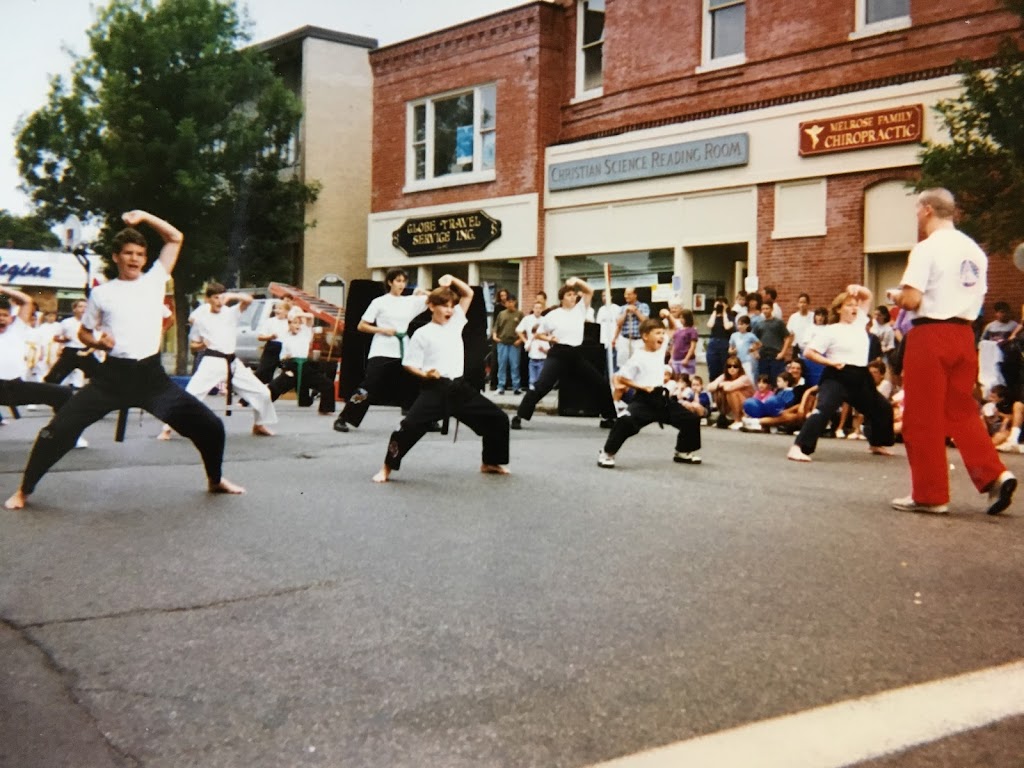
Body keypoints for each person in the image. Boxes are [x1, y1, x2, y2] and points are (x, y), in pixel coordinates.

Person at [5, 210, 244, 510]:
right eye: (128, 253)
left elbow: (175, 237)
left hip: (152, 380)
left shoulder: (156, 279)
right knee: (57, 431)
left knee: (210, 426)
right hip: (112, 380)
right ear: (116, 256)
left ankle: (215, 480)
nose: (134, 259)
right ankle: (24, 490)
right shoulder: (102, 294)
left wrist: (144, 216)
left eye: (140, 254)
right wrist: (97, 341)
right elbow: (86, 333)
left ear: (146, 259)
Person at [887, 188, 1015, 514]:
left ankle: (930, 495)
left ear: (928, 209)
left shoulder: (926, 249)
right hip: (964, 334)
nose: (917, 217)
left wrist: (894, 295)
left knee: (921, 416)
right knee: (961, 410)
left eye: (917, 211)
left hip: (930, 335)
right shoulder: (974, 251)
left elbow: (913, 299)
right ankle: (995, 474)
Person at [372, 275, 510, 483]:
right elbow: (409, 364)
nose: (449, 310)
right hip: (435, 389)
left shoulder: (455, 322)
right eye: (444, 306)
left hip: (460, 388)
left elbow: (469, 293)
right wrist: (425, 373)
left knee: (498, 419)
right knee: (408, 428)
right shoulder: (422, 333)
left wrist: (451, 280)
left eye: (451, 306)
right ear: (430, 306)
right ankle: (387, 467)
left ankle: (490, 462)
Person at [787, 285, 895, 463]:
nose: (854, 308)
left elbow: (867, 295)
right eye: (848, 305)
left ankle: (876, 443)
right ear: (838, 309)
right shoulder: (830, 330)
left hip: (860, 375)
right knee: (824, 409)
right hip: (837, 374)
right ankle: (798, 447)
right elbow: (809, 352)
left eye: (855, 305)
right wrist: (829, 362)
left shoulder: (860, 321)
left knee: (881, 408)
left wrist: (856, 289)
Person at [158, 283, 276, 440]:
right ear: (208, 299)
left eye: (221, 297)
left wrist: (232, 296)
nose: (219, 301)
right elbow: (193, 345)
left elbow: (248, 300)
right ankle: (167, 428)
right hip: (212, 361)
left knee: (262, 392)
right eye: (215, 297)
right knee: (191, 394)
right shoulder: (201, 318)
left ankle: (259, 424)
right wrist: (202, 345)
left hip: (232, 362)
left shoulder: (231, 313)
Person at [511, 277, 617, 431]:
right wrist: (550, 338)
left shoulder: (580, 309)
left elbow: (590, 291)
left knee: (599, 382)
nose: (573, 297)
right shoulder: (553, 315)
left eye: (574, 295)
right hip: (558, 353)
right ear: (562, 298)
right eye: (569, 295)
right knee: (542, 385)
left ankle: (609, 417)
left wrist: (576, 281)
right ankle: (519, 416)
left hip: (575, 354)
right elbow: (538, 334)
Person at [598, 319, 705, 468]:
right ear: (645, 336)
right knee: (625, 422)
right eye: (657, 333)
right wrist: (641, 386)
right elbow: (620, 378)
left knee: (690, 419)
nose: (662, 336)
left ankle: (682, 451)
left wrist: (668, 316)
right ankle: (607, 453)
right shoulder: (637, 357)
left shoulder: (660, 348)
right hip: (644, 399)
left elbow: (674, 328)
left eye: (662, 333)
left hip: (661, 398)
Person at [333, 268, 427, 433]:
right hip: (382, 348)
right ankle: (344, 418)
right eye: (398, 281)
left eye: (404, 281)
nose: (401, 284)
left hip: (404, 348)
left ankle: (423, 419)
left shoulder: (410, 301)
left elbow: (439, 298)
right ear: (390, 282)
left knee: (416, 382)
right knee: (369, 385)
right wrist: (382, 330)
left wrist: (422, 291)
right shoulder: (379, 302)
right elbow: (361, 325)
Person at [0, 286, 75, 416]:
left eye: (4, 315)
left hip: (14, 385)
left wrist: (2, 288)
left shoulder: (17, 329)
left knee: (64, 393)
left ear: (10, 318)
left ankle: (59, 432)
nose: (1, 318)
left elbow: (27, 301)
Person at [268, 315, 336, 413]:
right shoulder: (285, 336)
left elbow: (310, 317)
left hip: (306, 367)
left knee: (328, 385)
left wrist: (298, 314)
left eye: (300, 323)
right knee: (274, 387)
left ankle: (325, 410)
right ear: (289, 324)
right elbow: (282, 357)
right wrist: (285, 364)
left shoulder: (306, 332)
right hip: (292, 367)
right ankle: (261, 403)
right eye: (295, 323)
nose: (298, 325)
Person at [43, 299, 100, 387]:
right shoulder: (66, 322)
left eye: (85, 307)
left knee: (100, 374)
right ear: (74, 309)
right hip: (70, 352)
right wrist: (64, 339)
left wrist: (90, 349)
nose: (83, 309)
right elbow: (56, 337)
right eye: (80, 307)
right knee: (53, 377)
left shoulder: (91, 322)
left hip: (86, 352)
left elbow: (97, 339)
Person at [706, 354, 754, 429]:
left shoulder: (744, 378)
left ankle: (738, 420)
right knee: (718, 391)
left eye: (735, 366)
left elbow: (729, 388)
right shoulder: (724, 376)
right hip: (730, 406)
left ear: (739, 368)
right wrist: (720, 384)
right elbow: (709, 387)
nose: (732, 368)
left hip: (746, 408)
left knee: (732, 392)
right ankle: (725, 416)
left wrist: (722, 384)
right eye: (729, 366)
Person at [492, 293, 524, 394]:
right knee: (502, 365)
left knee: (514, 365)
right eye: (507, 302)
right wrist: (494, 336)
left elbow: (524, 329)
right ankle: (500, 386)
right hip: (502, 343)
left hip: (514, 343)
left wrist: (520, 340)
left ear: (515, 302)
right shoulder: (501, 314)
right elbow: (496, 326)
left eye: (511, 302)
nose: (509, 304)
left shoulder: (519, 314)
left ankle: (516, 387)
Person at [254, 300, 291, 383]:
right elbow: (260, 337)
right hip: (272, 347)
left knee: (288, 373)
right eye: (276, 308)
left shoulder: (290, 322)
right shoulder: (270, 321)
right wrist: (270, 337)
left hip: (286, 349)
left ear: (287, 311)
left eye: (280, 308)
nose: (277, 310)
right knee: (262, 372)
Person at [754, 303, 792, 382]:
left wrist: (783, 353)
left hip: (776, 355)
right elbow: (754, 340)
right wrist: (755, 352)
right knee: (764, 380)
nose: (765, 311)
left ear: (771, 309)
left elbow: (788, 337)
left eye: (767, 308)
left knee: (777, 380)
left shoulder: (778, 323)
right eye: (763, 309)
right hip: (763, 356)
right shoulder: (759, 324)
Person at [516, 300, 549, 391]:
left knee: (541, 373)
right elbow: (519, 330)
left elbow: (549, 334)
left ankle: (539, 388)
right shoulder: (527, 319)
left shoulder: (545, 320)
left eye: (540, 308)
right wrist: (526, 341)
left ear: (542, 309)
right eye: (536, 308)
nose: (538, 310)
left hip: (542, 348)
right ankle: (531, 386)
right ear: (533, 309)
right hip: (532, 347)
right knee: (532, 370)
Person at [611, 286, 650, 363]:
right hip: (625, 340)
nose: (626, 296)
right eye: (625, 294)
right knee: (624, 364)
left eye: (629, 294)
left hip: (638, 340)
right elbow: (618, 323)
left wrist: (636, 311)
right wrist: (625, 312)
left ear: (635, 295)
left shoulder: (643, 306)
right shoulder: (622, 308)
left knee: (639, 362)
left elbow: (646, 321)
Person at [705, 295, 734, 382]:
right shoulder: (713, 317)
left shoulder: (730, 316)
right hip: (713, 343)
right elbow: (709, 325)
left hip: (724, 343)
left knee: (724, 368)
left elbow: (727, 326)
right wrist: (715, 310)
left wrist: (724, 312)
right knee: (713, 368)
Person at [728, 315, 760, 381]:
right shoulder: (734, 335)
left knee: (749, 377)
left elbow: (759, 344)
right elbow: (730, 348)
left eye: (742, 324)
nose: (739, 326)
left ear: (747, 325)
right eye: (738, 324)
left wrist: (753, 349)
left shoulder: (750, 335)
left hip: (747, 361)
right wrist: (732, 351)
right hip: (737, 361)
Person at [669, 308, 699, 375]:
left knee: (685, 378)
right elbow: (674, 344)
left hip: (685, 359)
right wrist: (671, 357)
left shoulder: (692, 330)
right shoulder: (678, 330)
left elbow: (692, 346)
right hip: (676, 359)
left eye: (683, 318)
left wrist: (687, 358)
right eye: (680, 317)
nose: (681, 320)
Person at [786, 293, 815, 358]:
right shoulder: (793, 317)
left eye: (804, 302)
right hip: (797, 348)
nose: (802, 305)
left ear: (808, 304)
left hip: (810, 349)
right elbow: (789, 333)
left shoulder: (813, 316)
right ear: (798, 304)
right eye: (800, 302)